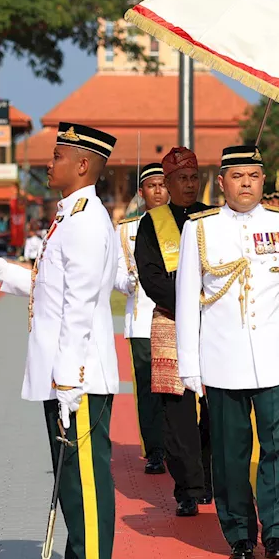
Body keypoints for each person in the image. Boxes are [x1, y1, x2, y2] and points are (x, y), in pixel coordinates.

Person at [0, 121, 121, 559]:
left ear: (82, 165)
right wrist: (2, 273)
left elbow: (78, 305)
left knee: (86, 481)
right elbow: (50, 287)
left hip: (77, 374)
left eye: (56, 156)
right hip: (65, 372)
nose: (47, 163)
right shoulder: (70, 217)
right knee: (71, 479)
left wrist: (70, 381)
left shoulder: (85, 221)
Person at [176, 145, 279, 559]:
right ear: (221, 182)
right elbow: (187, 301)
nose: (245, 184)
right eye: (237, 176)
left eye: (253, 176)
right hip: (222, 361)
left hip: (276, 358)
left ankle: (276, 534)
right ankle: (238, 531)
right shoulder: (200, 230)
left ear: (262, 180)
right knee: (229, 452)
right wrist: (189, 364)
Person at [134, 147, 213, 517]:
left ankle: (210, 475)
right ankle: (187, 486)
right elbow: (150, 277)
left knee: (218, 405)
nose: (190, 184)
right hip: (171, 320)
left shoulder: (213, 217)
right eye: (182, 178)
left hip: (215, 322)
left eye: (194, 177)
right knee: (176, 409)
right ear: (166, 184)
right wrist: (188, 305)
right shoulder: (151, 224)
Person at [116, 163, 168, 474]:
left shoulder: (183, 225)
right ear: (141, 191)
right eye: (152, 185)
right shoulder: (126, 229)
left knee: (176, 385)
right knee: (148, 385)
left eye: (163, 184)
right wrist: (128, 282)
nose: (159, 191)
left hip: (174, 314)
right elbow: (115, 274)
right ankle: (155, 450)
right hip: (141, 316)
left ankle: (179, 446)